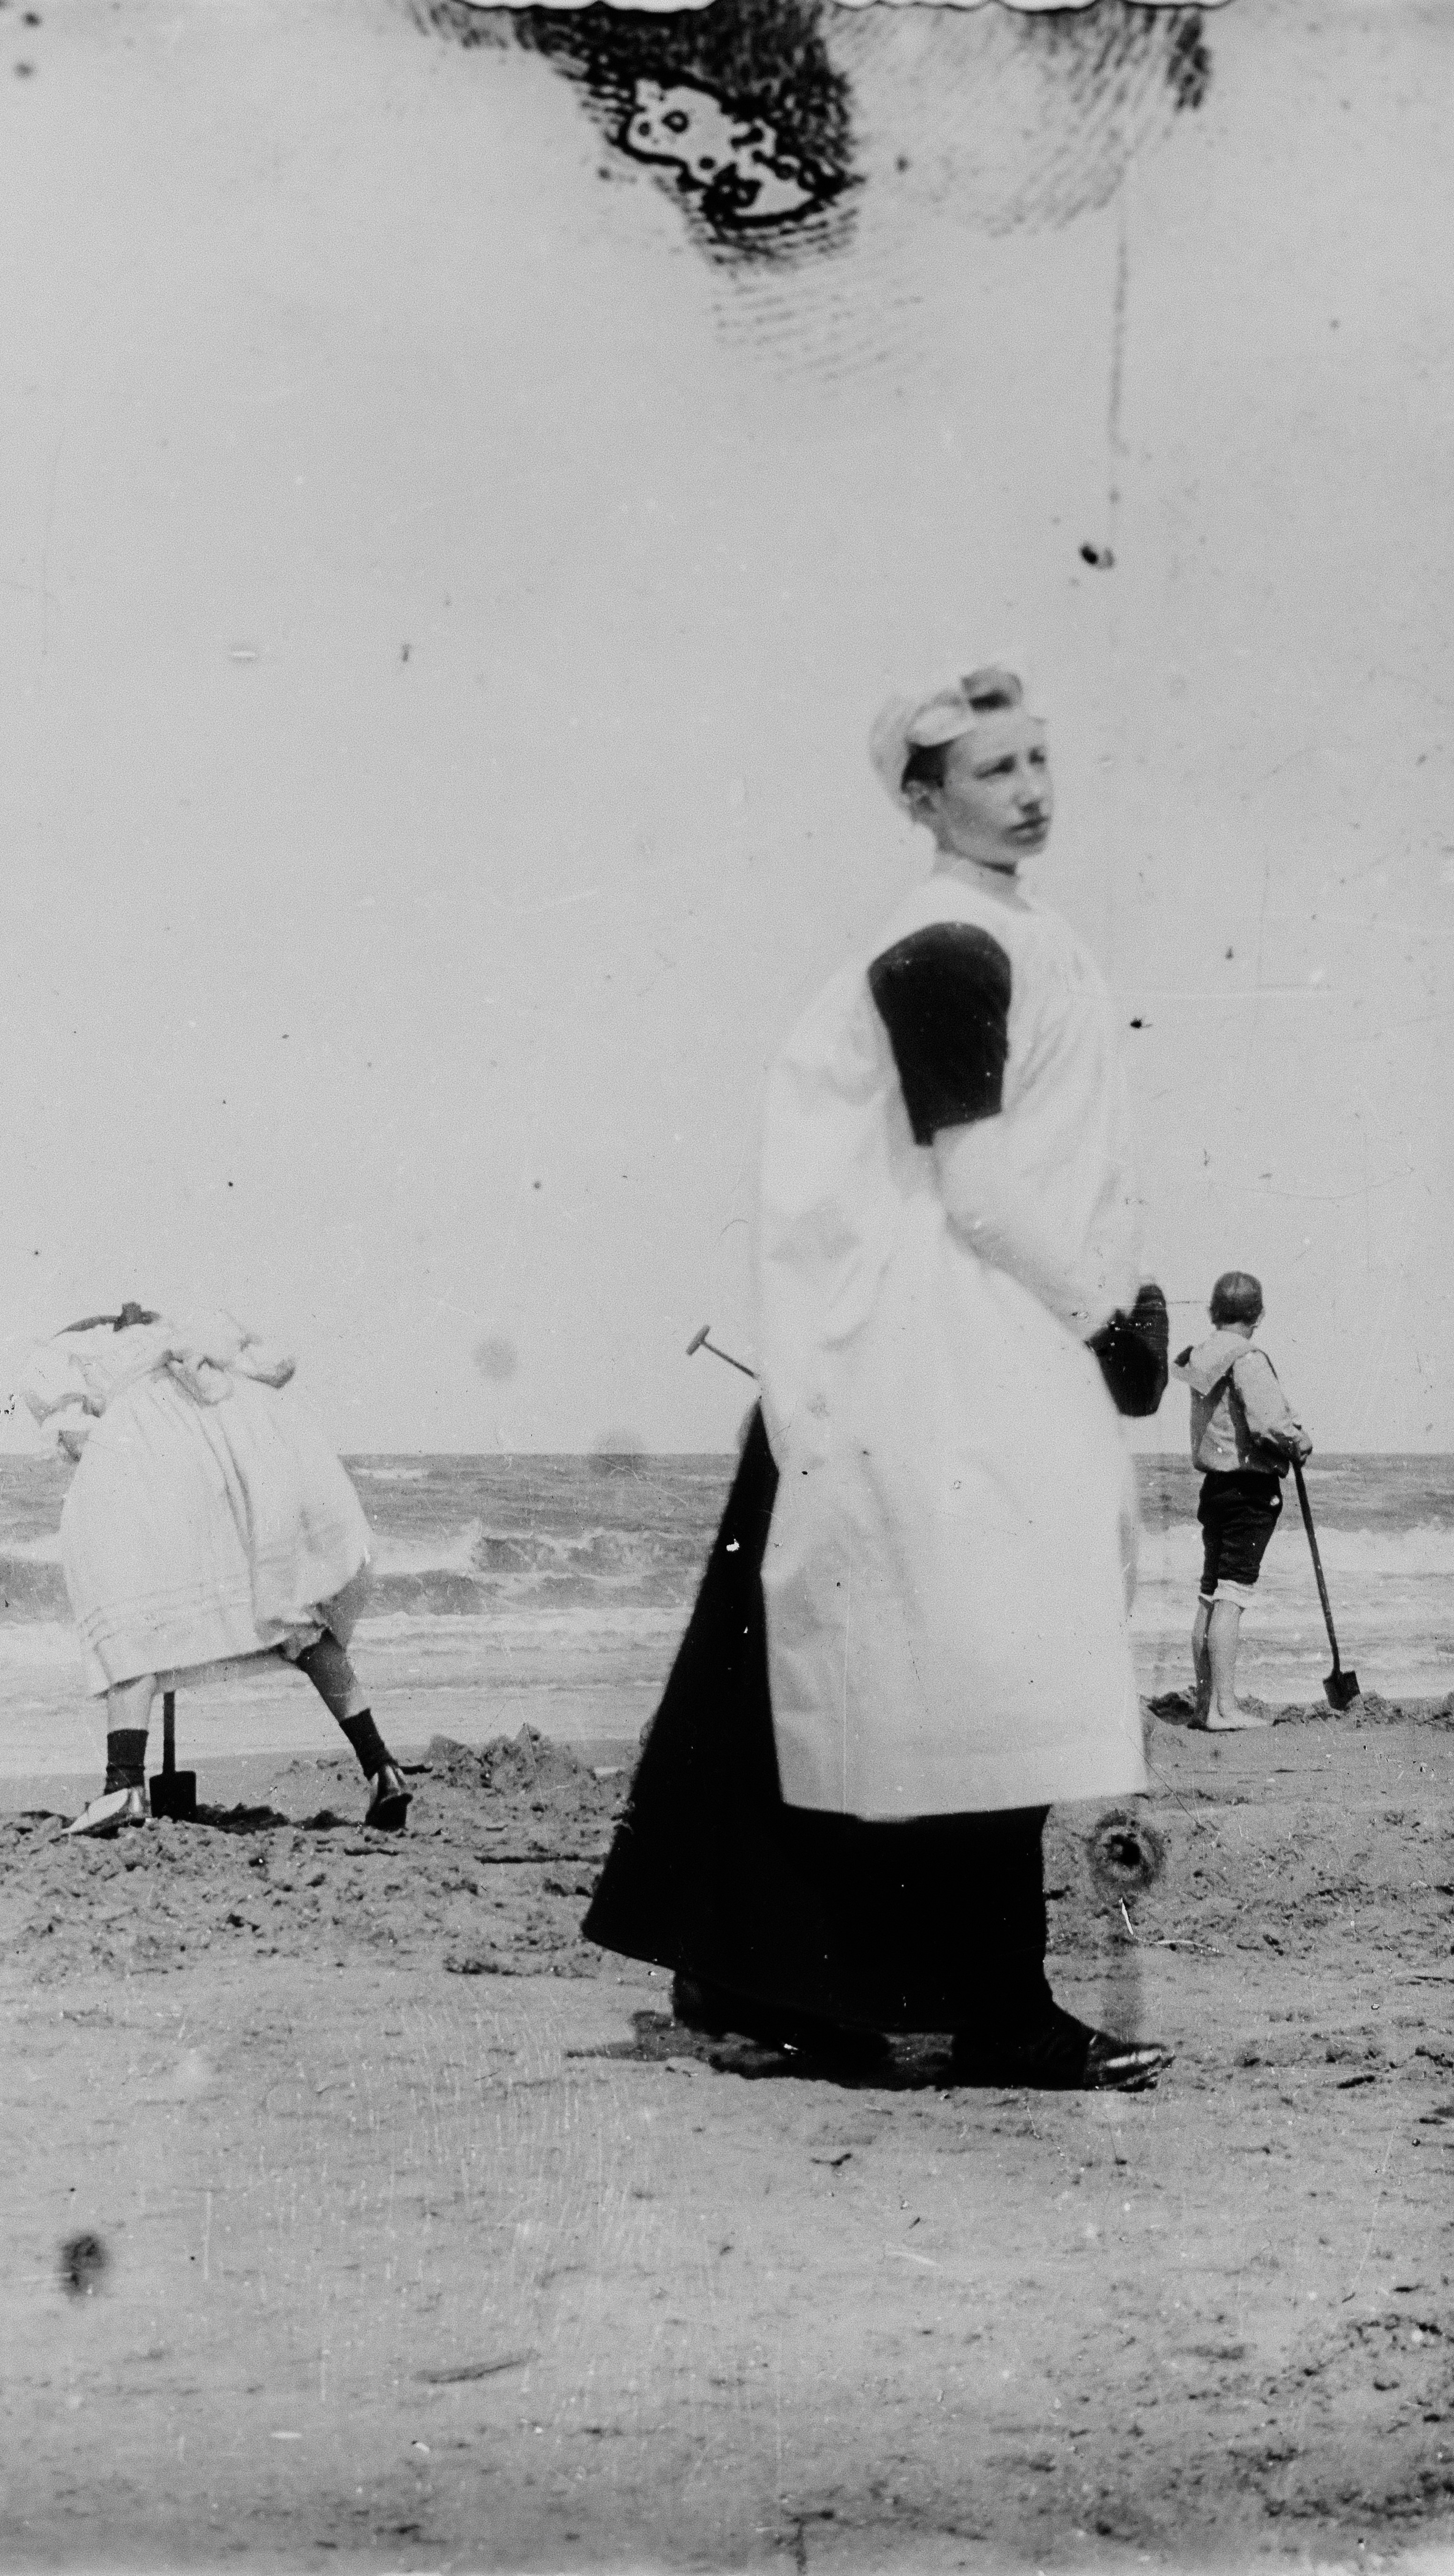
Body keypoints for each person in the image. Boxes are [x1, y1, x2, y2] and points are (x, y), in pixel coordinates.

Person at [583, 664, 1174, 2089]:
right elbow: (975, 1188)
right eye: (991, 770)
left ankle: (831, 1989)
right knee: (957, 1674)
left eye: (1038, 759)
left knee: (917, 1678)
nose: (1028, 790)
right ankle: (970, 2008)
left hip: (954, 1348)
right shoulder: (942, 948)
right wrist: (1105, 1318)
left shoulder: (1016, 935)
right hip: (919, 1359)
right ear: (921, 797)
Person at [22, 1303, 411, 1837]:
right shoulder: (204, 1349)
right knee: (293, 1622)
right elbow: (273, 1369)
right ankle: (382, 1768)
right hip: (233, 1460)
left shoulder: (104, 1356)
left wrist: (94, 1335)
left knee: (131, 1624)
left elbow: (55, 1403)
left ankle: (125, 1786)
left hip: (151, 1461)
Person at [1174, 1270, 1311, 1732]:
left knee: (1210, 1594)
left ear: (1213, 1312)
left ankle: (1205, 1706)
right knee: (1232, 1595)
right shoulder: (1246, 1357)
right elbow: (1269, 1423)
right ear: (1259, 1315)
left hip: (1215, 1487)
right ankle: (1224, 1709)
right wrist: (1299, 1441)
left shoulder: (1201, 1356)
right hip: (1249, 1488)